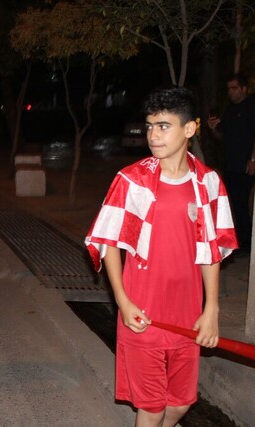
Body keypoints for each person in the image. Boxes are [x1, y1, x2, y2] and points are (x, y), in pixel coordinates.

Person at [85, 86, 238, 427]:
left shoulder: (209, 183)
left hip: (186, 317)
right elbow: (108, 242)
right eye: (150, 126)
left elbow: (211, 251)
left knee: (181, 404)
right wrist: (122, 302)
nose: (153, 135)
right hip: (143, 315)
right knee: (151, 408)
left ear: (189, 129)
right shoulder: (132, 181)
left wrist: (211, 308)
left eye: (163, 126)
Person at [208, 73, 255, 255]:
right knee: (234, 204)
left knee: (243, 204)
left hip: (246, 164)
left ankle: (247, 244)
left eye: (234, 88)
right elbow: (222, 137)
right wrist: (213, 129)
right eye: (229, 89)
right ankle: (242, 242)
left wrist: (253, 159)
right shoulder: (230, 109)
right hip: (231, 164)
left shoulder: (251, 106)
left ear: (244, 89)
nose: (231, 92)